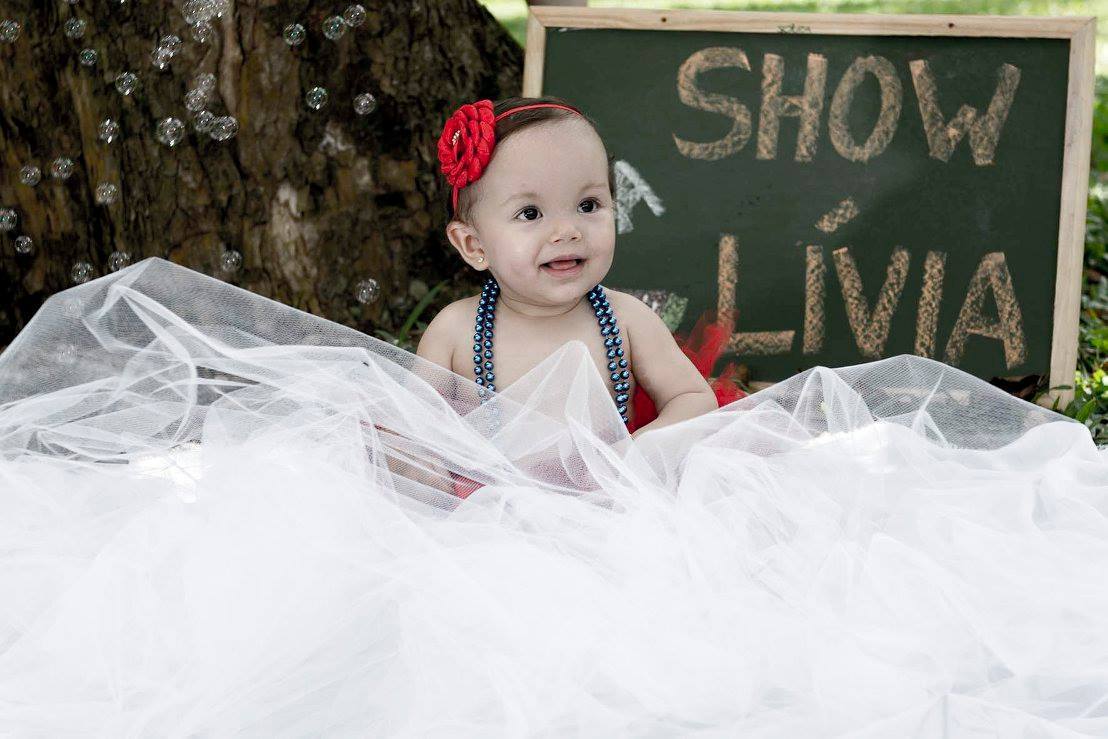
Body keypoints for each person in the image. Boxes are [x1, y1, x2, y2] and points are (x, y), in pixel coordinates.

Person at [0, 106, 1105, 736]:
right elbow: (419, 428)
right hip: (493, 520)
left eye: (588, 204)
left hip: (613, 509)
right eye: (529, 213)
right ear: (474, 243)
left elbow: (685, 398)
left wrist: (648, 450)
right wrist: (410, 477)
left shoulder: (621, 318)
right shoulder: (452, 330)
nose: (566, 232)